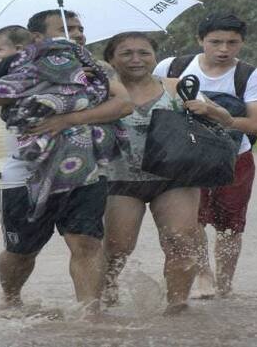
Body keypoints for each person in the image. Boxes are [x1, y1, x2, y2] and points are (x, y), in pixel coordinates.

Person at [0, 9, 133, 313]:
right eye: (65, 28)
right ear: (37, 37)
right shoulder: (8, 64)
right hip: (21, 170)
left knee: (86, 243)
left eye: (78, 28)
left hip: (83, 165)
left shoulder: (96, 66)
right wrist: (57, 74)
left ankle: (89, 316)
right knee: (22, 251)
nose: (76, 34)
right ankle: (11, 298)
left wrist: (71, 117)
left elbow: (124, 104)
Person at [100, 32, 234, 315]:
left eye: (144, 52)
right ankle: (105, 296)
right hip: (119, 178)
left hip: (175, 178)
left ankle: (177, 307)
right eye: (126, 53)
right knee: (117, 248)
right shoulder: (103, 92)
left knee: (181, 241)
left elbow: (228, 119)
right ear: (110, 59)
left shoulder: (176, 87)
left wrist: (207, 108)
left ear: (155, 56)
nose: (136, 59)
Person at [153, 13, 257, 297]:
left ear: (242, 43)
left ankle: (225, 286)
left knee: (230, 226)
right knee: (191, 221)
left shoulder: (251, 76)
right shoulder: (172, 67)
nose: (223, 49)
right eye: (215, 42)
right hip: (186, 158)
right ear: (200, 40)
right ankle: (203, 275)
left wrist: (219, 115)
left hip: (234, 158)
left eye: (232, 43)